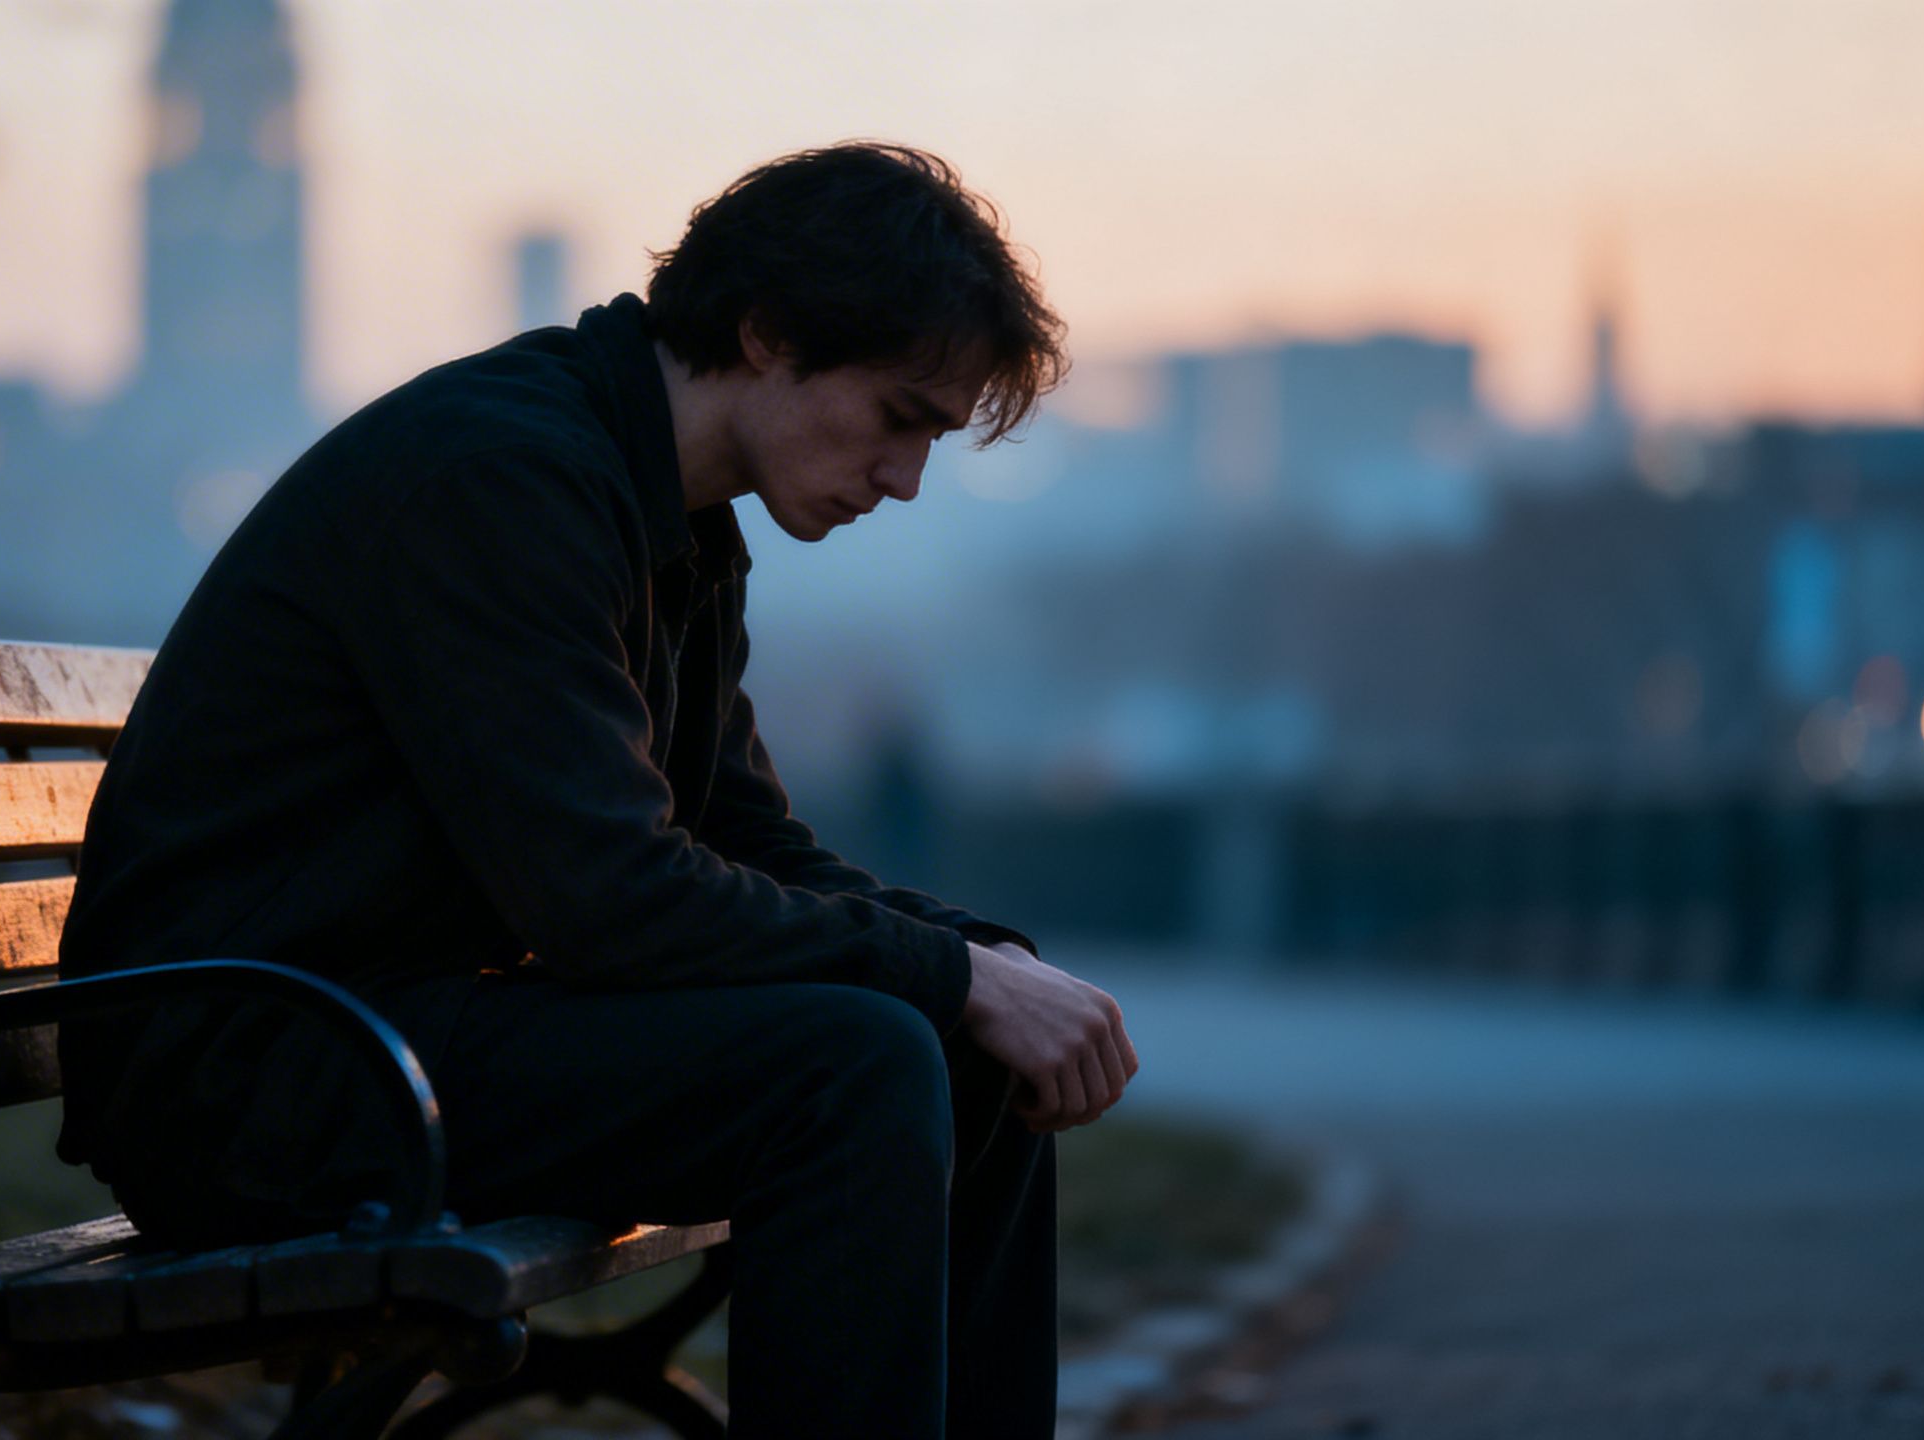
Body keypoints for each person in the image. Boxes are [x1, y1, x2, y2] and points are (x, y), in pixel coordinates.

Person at [56, 141, 1137, 1438]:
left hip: (393, 1036)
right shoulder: (501, 482)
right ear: (767, 332)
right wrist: (952, 980)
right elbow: (611, 902)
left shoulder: (665, 517)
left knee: (951, 1034)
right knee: (855, 1066)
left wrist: (978, 964)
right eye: (900, 416)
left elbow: (750, 847)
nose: (904, 479)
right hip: (255, 1078)